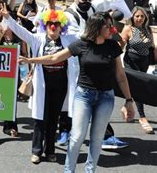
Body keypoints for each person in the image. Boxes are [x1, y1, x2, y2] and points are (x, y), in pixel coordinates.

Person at [19, 12, 135, 172]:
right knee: (77, 136)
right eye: (108, 26)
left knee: (97, 138)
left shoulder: (113, 46)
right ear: (97, 27)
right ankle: (69, 170)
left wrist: (129, 101)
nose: (112, 29)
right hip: (84, 96)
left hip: (106, 98)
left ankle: (90, 170)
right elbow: (54, 58)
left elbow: (121, 76)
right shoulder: (81, 44)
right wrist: (31, 60)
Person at [61, 0, 131, 149]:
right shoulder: (68, 16)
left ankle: (102, 135)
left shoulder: (92, 7)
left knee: (93, 101)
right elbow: (78, 39)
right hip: (78, 66)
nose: (87, 2)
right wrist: (102, 33)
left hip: (96, 65)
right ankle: (69, 133)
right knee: (77, 101)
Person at [3, 8, 79, 163]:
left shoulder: (68, 40)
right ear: (46, 24)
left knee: (53, 120)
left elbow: (85, 35)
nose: (53, 26)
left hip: (60, 86)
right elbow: (21, 31)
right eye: (50, 23)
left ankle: (50, 151)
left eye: (57, 24)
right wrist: (8, 18)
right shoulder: (38, 39)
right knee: (40, 120)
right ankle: (36, 151)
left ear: (61, 26)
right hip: (42, 85)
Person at [120, 6, 155, 134]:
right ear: (132, 17)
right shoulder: (128, 29)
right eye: (137, 16)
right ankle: (142, 117)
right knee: (139, 88)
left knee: (133, 88)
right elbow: (121, 46)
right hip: (131, 61)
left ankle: (126, 106)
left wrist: (155, 60)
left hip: (144, 61)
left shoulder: (148, 29)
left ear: (145, 17)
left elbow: (152, 46)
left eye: (142, 16)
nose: (139, 19)